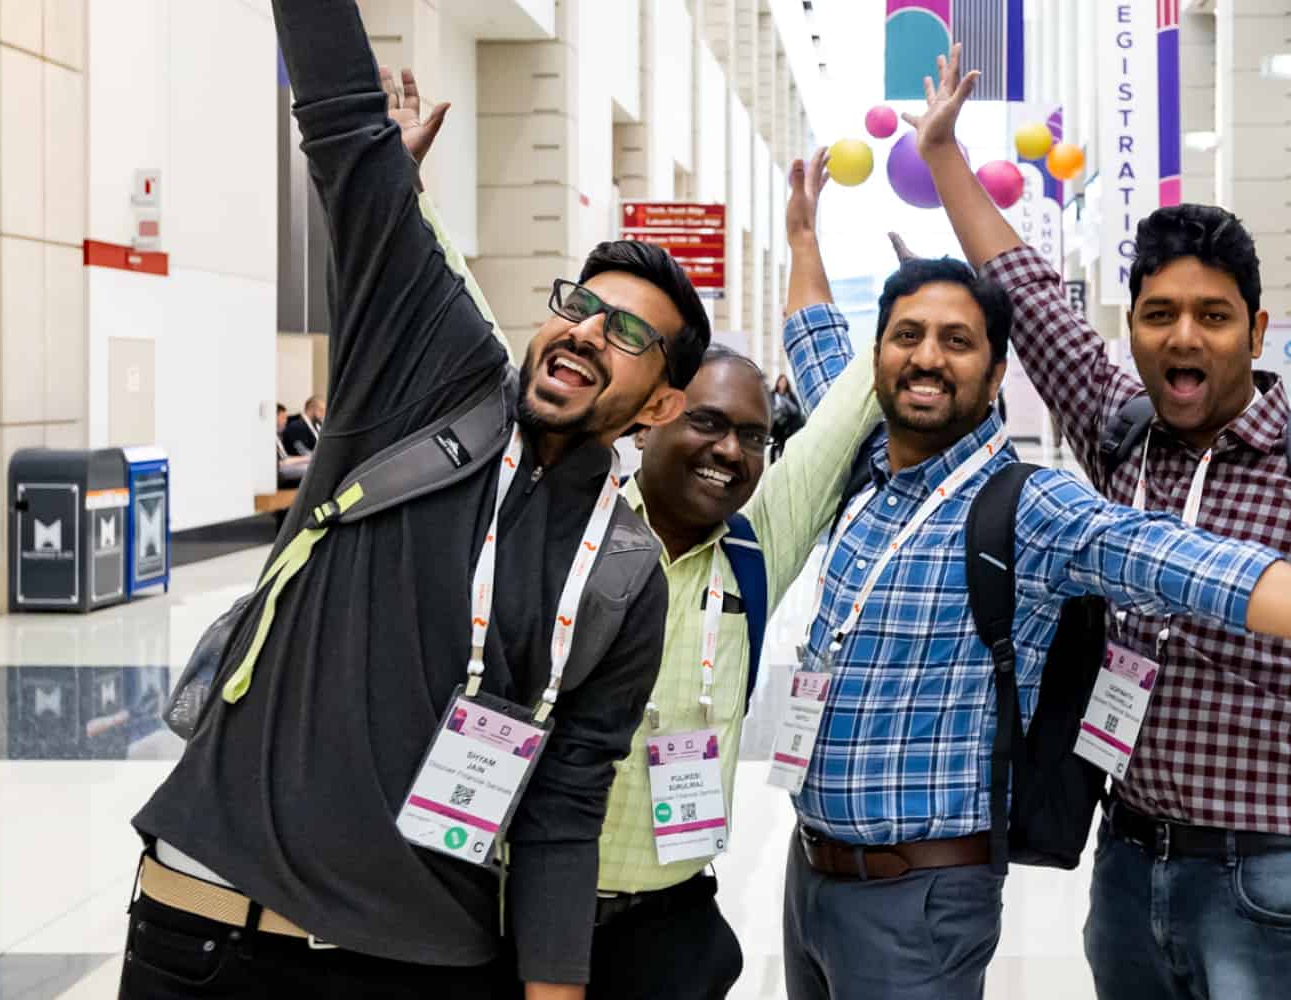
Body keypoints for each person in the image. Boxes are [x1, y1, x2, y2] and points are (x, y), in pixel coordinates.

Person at [780, 48, 1291, 1000]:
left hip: (1282, 871)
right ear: (1133, 330)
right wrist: (944, 156)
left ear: (1257, 329)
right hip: (1131, 855)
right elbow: (1025, 295)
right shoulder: (1120, 432)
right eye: (1159, 314)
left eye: (1213, 316)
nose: (1184, 336)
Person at [121, 3, 705, 997]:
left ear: (659, 404)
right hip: (208, 931)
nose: (585, 332)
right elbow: (346, 127)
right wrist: (389, 185)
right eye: (579, 305)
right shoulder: (429, 380)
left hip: (421, 964)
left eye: (627, 334)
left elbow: (564, 808)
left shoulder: (620, 576)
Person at [393, 78, 884, 998]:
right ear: (651, 415)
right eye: (707, 423)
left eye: (752, 437)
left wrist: (810, 245)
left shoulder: (753, 548)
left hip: (668, 929)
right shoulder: (562, 522)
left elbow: (850, 404)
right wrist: (401, 193)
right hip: (517, 910)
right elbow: (475, 338)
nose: (729, 451)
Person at [769, 372, 807, 458]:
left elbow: (797, 410)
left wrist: (786, 404)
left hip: (790, 423)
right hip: (777, 425)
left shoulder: (790, 395)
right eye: (781, 382)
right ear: (778, 383)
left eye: (784, 382)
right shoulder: (772, 395)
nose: (782, 384)